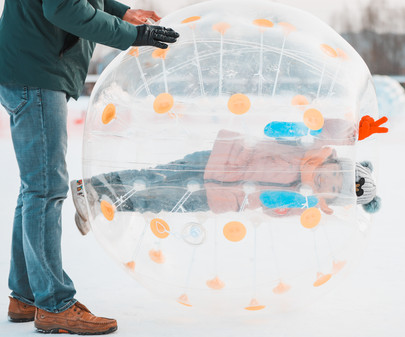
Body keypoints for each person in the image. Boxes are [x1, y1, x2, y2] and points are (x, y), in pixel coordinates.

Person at [0, 1, 179, 335]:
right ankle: (54, 305)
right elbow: (64, 8)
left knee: (35, 189)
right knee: (44, 189)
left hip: (30, 67)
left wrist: (122, 12)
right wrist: (133, 34)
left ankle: (25, 296)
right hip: (35, 71)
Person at [71, 124, 381, 233]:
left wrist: (285, 203)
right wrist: (343, 130)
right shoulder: (310, 148)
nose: (328, 184)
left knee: (156, 199)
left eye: (334, 191)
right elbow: (278, 130)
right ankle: (91, 187)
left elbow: (271, 209)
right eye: (335, 177)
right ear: (337, 163)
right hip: (215, 162)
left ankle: (102, 203)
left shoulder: (305, 202)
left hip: (216, 199)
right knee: (154, 177)